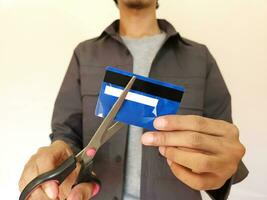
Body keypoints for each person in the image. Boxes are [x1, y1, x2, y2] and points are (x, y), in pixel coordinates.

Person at [18, 0, 248, 199]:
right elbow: (66, 132)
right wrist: (61, 152)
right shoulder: (84, 54)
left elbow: (221, 141)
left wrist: (223, 170)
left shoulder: (200, 57)